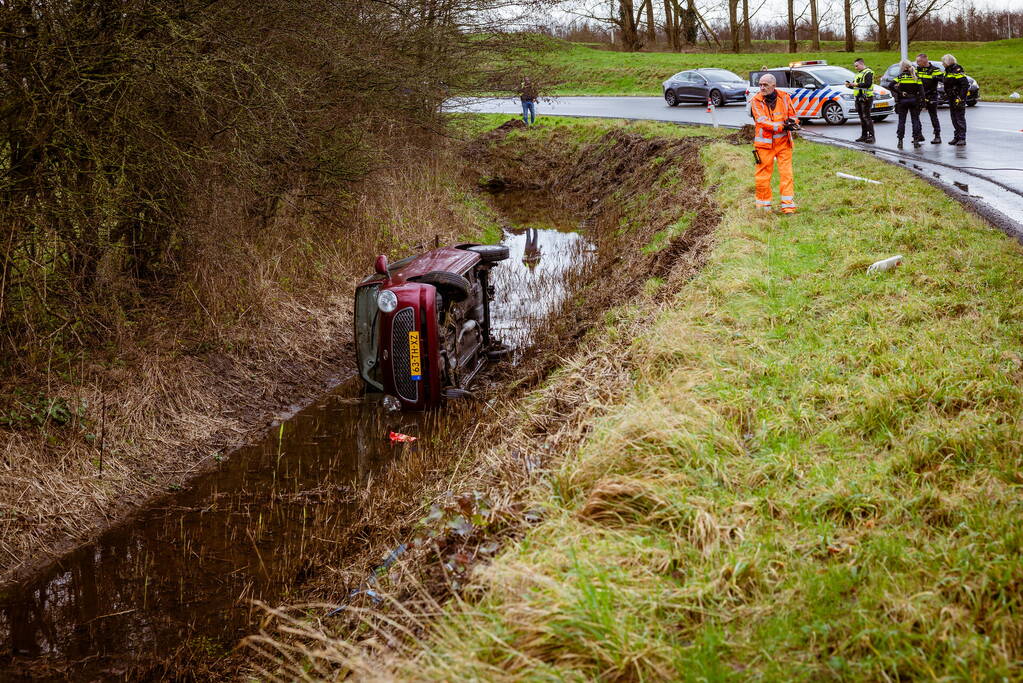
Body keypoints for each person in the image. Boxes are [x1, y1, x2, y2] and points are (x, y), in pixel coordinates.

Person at [750, 73, 799, 214]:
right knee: (762, 176)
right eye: (760, 84)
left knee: (786, 175)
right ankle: (763, 208)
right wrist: (782, 126)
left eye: (765, 85)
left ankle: (788, 206)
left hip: (784, 144)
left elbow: (793, 116)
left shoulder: (784, 97)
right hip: (763, 146)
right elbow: (762, 122)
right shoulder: (756, 100)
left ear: (773, 85)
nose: (762, 87)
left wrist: (793, 123)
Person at [892, 60, 924, 148]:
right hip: (914, 100)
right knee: (915, 120)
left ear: (903, 67)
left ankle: (900, 141)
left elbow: (891, 85)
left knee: (902, 121)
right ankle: (916, 141)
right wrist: (923, 102)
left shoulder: (901, 76)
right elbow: (921, 91)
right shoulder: (916, 77)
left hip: (903, 101)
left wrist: (900, 92)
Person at [845, 58, 875, 144]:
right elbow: (856, 86)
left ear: (862, 64)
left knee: (867, 117)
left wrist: (856, 84)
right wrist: (849, 85)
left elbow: (868, 84)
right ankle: (864, 136)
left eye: (857, 66)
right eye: (855, 66)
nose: (856, 68)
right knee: (862, 118)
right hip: (858, 98)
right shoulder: (858, 74)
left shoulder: (868, 72)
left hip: (866, 98)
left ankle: (872, 137)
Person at [915, 53, 942, 143]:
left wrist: (936, 77)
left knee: (933, 116)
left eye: (918, 61)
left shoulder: (934, 70)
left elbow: (943, 79)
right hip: (920, 96)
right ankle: (919, 135)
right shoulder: (917, 69)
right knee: (915, 115)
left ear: (925, 61)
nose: (917, 63)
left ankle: (937, 136)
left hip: (931, 96)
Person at [942, 54, 968, 146]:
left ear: (947, 62)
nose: (942, 64)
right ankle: (956, 137)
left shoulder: (957, 70)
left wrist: (960, 98)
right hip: (951, 97)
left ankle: (962, 138)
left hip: (958, 97)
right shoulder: (947, 70)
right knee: (954, 118)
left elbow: (965, 85)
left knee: (959, 118)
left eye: (943, 62)